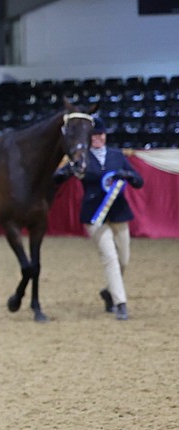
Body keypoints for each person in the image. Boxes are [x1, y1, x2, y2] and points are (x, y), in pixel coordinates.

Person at [54, 116, 144, 320]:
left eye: (100, 134)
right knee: (110, 258)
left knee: (124, 259)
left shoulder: (117, 155)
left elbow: (139, 181)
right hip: (95, 216)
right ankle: (120, 303)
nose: (98, 138)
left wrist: (127, 175)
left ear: (105, 135)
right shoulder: (81, 157)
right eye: (94, 135)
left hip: (119, 212)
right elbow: (58, 177)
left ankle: (108, 291)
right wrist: (67, 171)